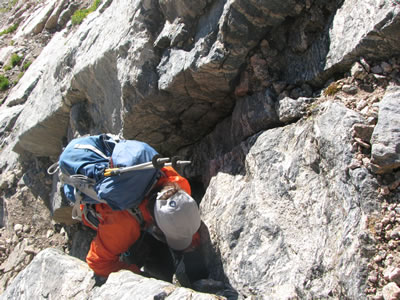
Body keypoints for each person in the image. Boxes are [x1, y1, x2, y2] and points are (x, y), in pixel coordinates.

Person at [80, 165, 208, 284]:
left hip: (124, 187)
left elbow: (181, 216)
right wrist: (139, 275)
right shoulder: (123, 227)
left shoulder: (179, 184)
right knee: (144, 249)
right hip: (106, 209)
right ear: (157, 227)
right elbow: (98, 263)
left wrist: (192, 243)